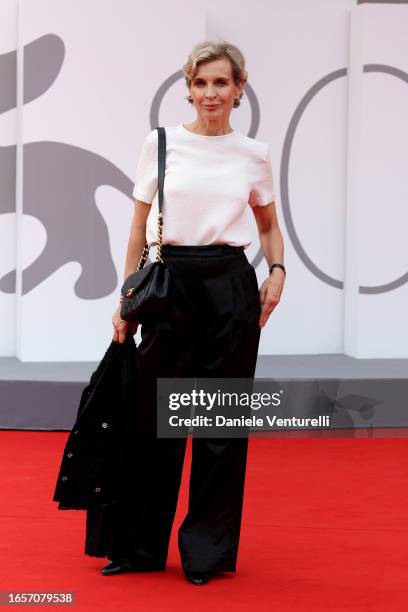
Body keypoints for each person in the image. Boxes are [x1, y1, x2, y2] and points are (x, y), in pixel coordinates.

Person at [108, 39, 286, 586]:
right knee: (152, 423)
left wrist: (276, 274)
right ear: (188, 89)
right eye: (201, 83)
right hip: (170, 286)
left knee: (217, 427)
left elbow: (269, 228)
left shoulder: (252, 154)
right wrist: (126, 296)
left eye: (221, 83)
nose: (211, 93)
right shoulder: (160, 145)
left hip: (230, 289)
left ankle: (206, 553)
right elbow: (139, 227)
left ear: (239, 89)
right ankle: (138, 548)